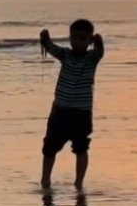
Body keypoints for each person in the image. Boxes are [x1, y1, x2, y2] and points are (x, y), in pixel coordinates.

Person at [39, 19, 105, 192]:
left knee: (81, 147)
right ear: (70, 38)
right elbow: (51, 48)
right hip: (59, 111)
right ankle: (45, 180)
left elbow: (100, 51)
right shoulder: (65, 54)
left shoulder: (91, 58)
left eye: (83, 38)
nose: (78, 41)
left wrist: (98, 40)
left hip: (81, 113)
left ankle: (79, 182)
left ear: (89, 41)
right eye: (74, 38)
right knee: (49, 147)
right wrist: (45, 38)